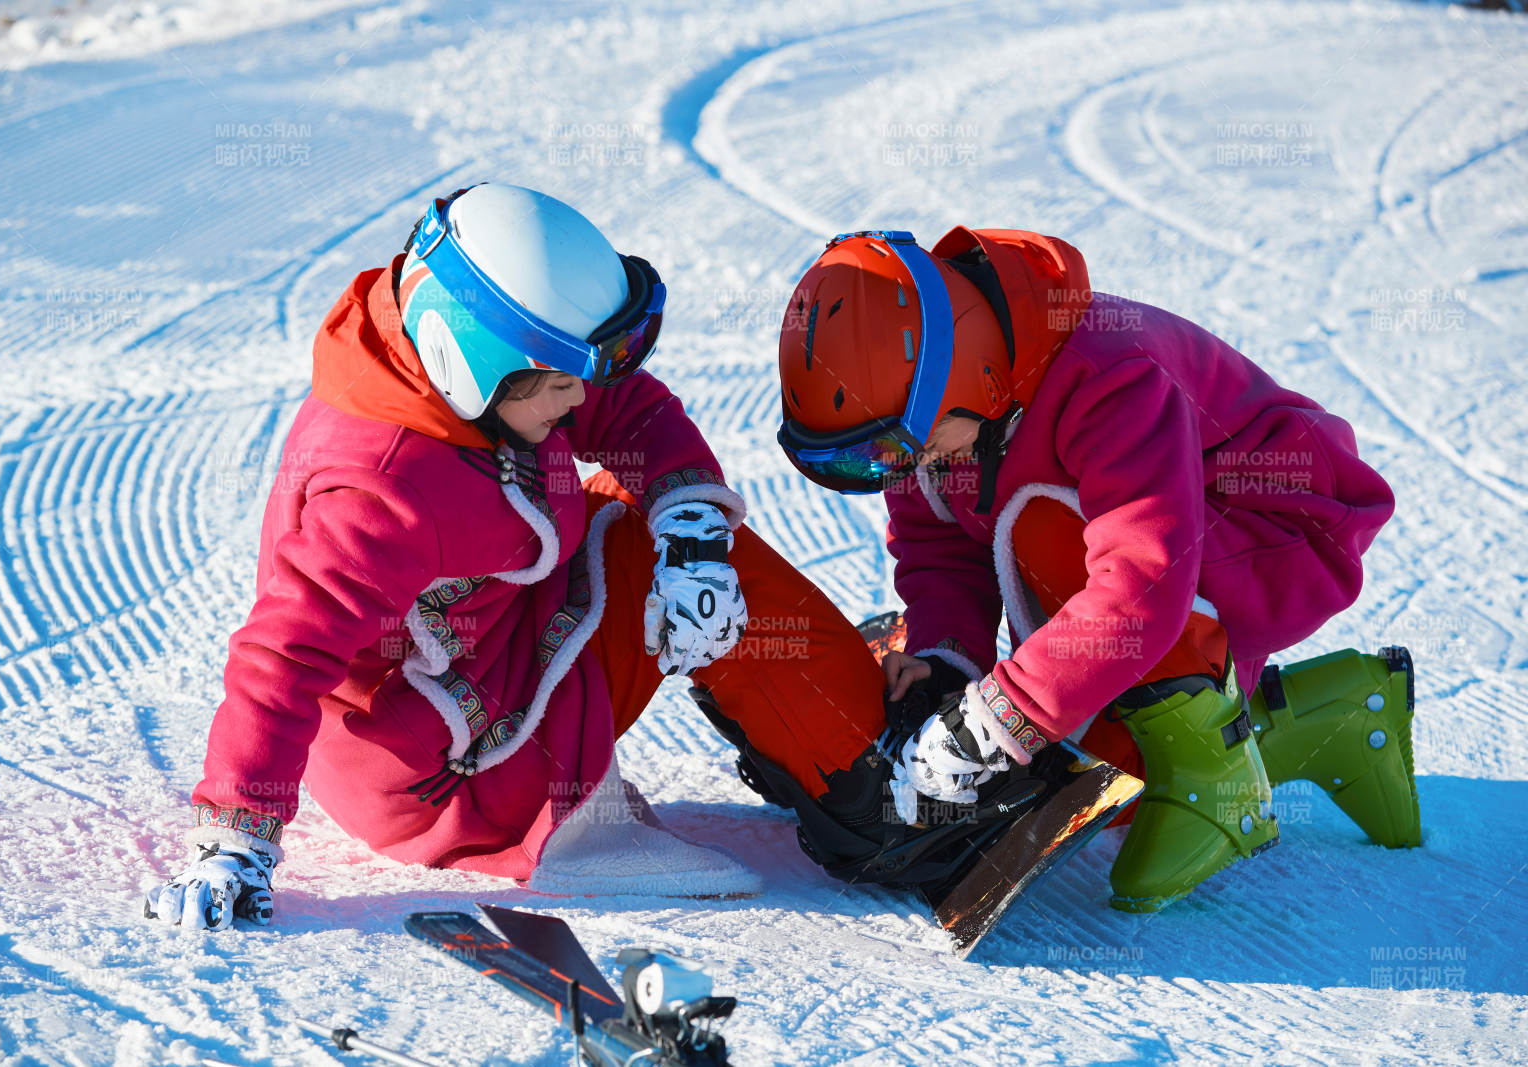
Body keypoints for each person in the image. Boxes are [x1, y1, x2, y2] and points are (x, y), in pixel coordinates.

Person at [142, 185, 898, 930]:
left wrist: (693, 534)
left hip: (498, 646)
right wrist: (236, 836)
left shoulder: (466, 379)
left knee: (671, 537)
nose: (578, 400)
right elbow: (284, 651)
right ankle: (882, 784)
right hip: (456, 768)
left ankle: (824, 701)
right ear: (474, 357)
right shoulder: (383, 488)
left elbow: (629, 407)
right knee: (650, 546)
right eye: (561, 385)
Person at [773, 227, 1422, 912]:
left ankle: (1216, 782)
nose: (888, 471)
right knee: (1113, 778)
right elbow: (940, 547)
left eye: (888, 451)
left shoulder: (1108, 378)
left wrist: (1006, 716)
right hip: (1155, 550)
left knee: (1046, 533)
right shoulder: (930, 421)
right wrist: (949, 658)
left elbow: (1140, 586)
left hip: (1279, 527)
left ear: (966, 378)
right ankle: (1342, 711)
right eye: (862, 462)